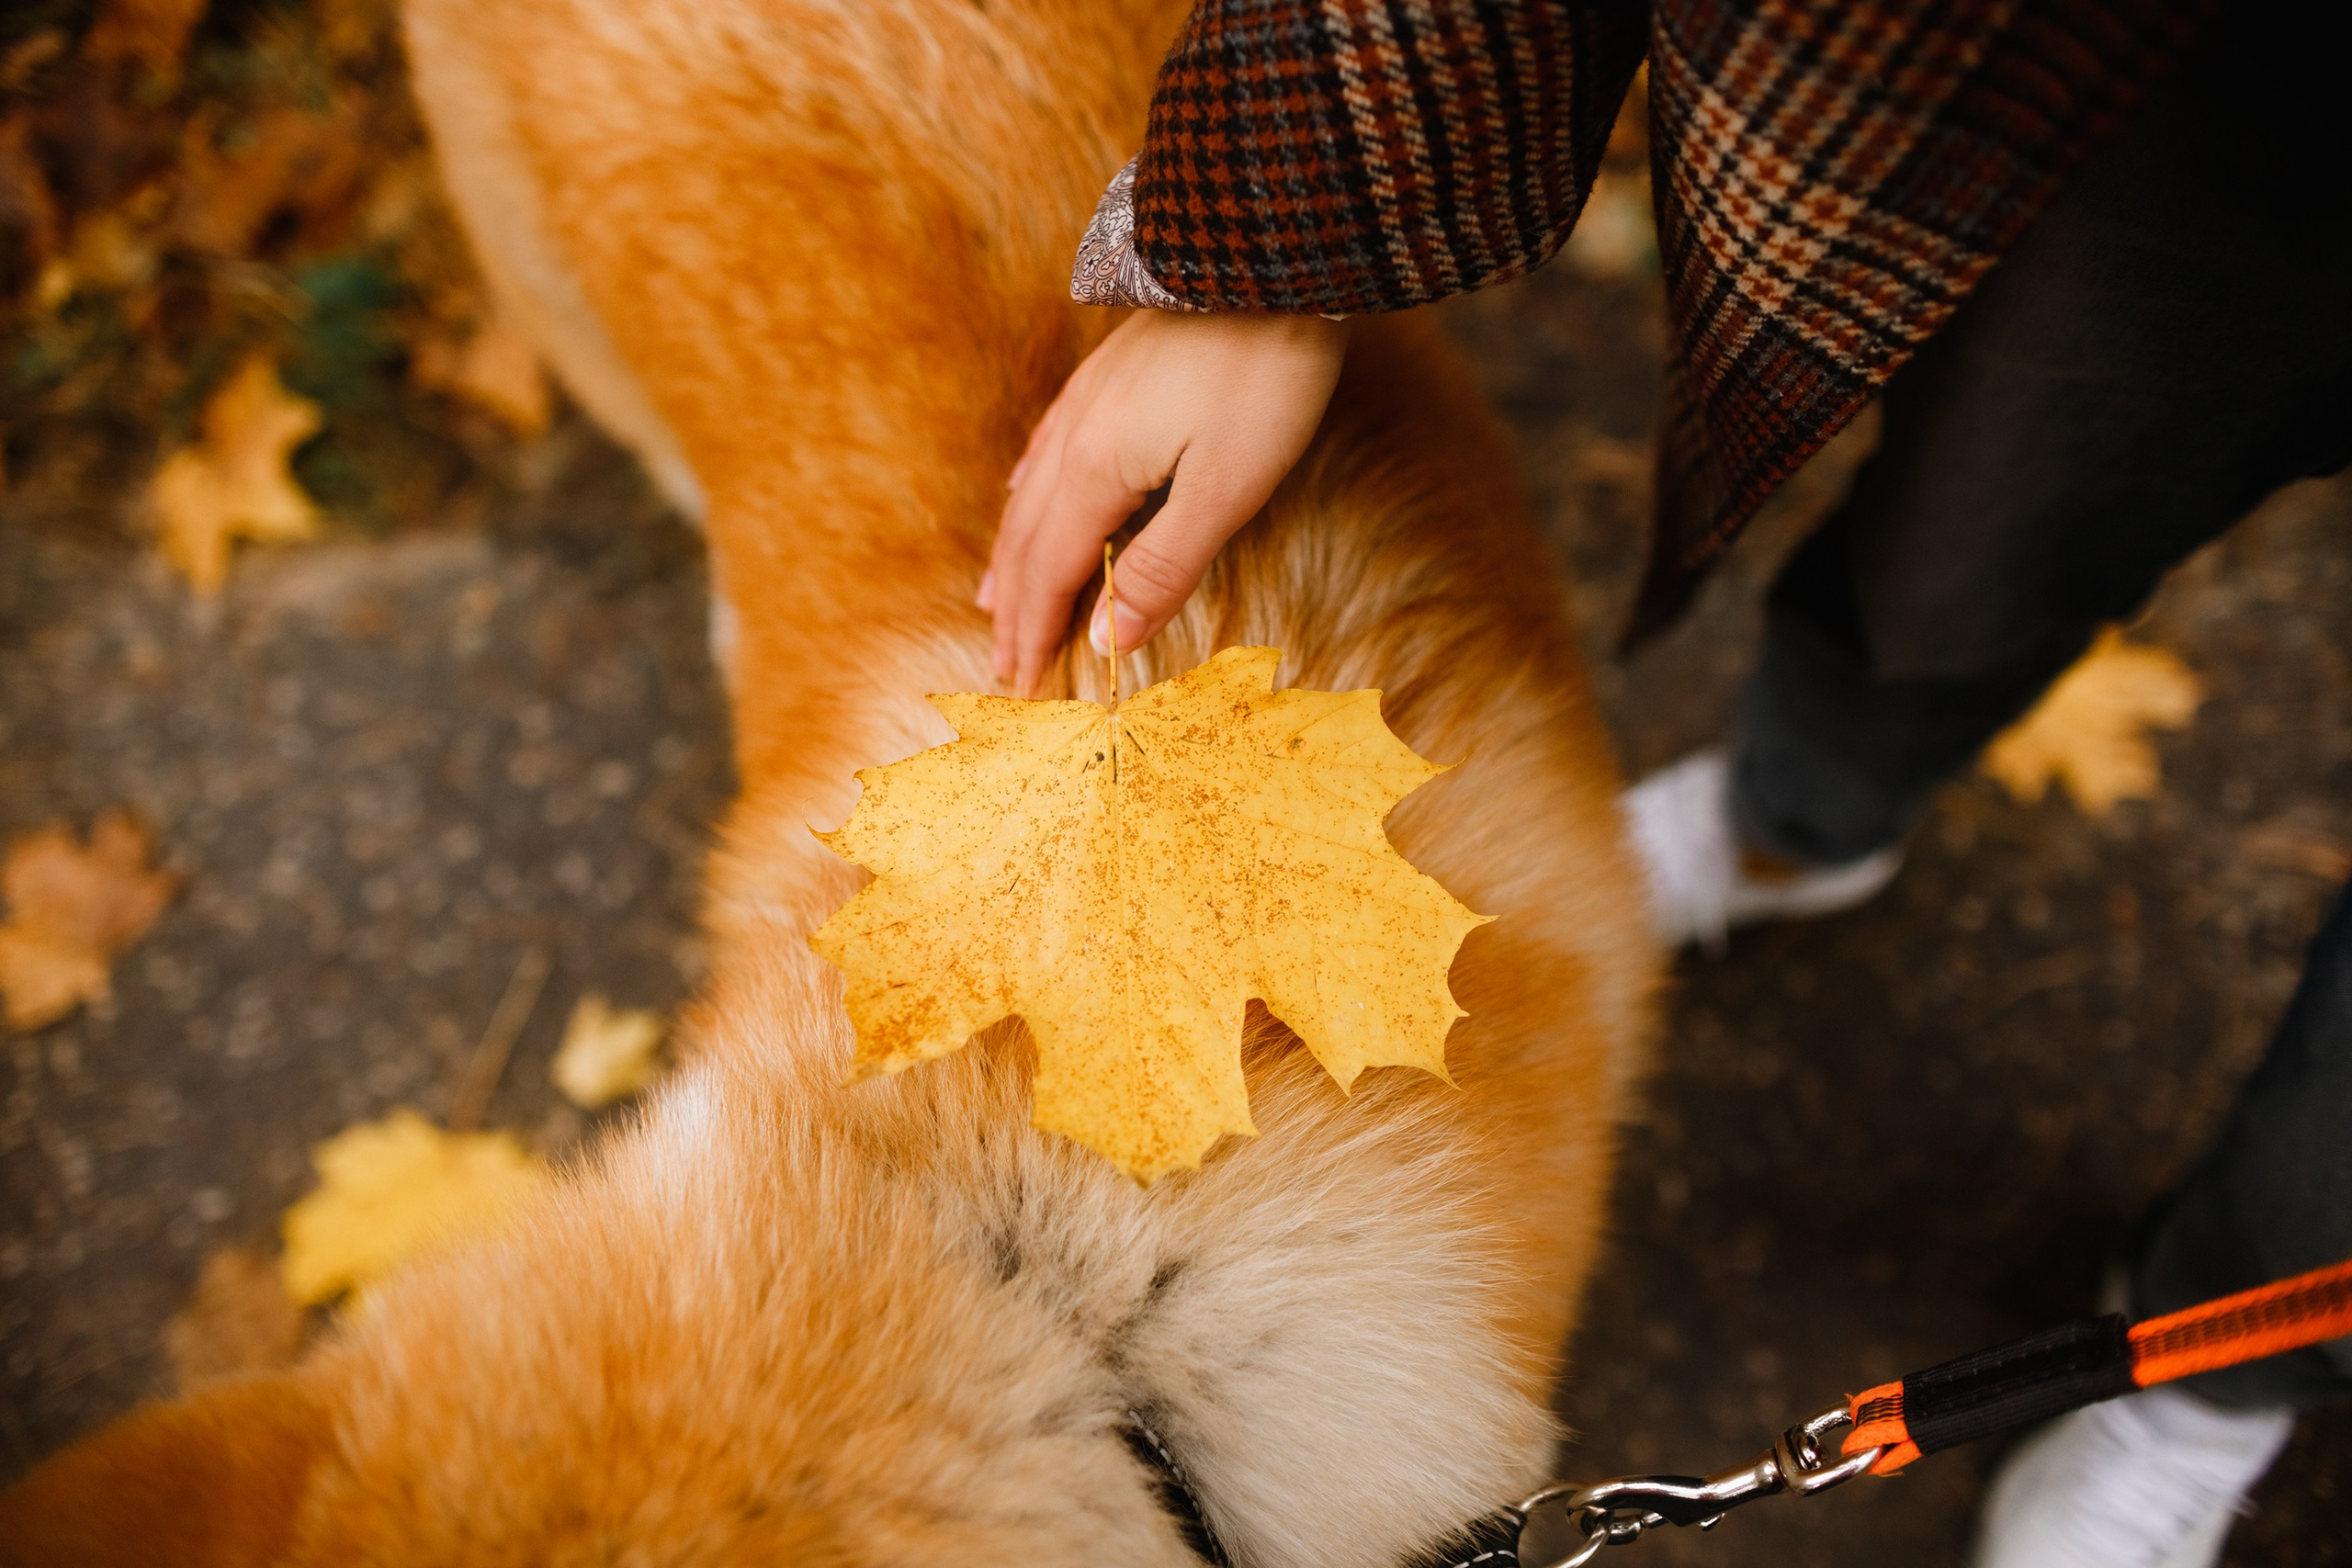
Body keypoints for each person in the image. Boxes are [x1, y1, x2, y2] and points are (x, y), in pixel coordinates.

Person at [981, 4, 2352, 1565]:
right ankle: (1802, 825)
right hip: (2231, 109)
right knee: (1964, 557)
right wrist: (1277, 244)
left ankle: (2220, 1369)